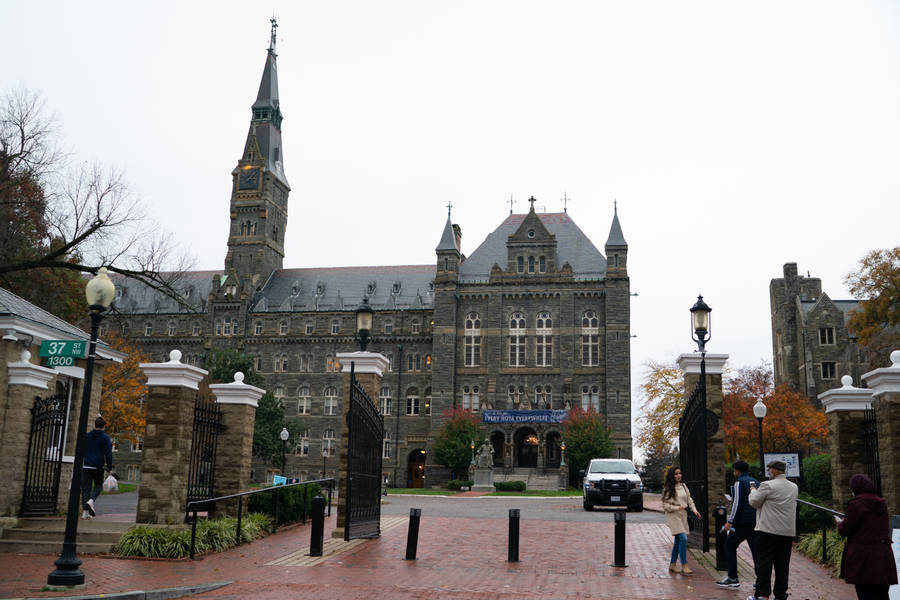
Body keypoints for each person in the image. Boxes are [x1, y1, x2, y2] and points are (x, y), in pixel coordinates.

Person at [837, 474, 897, 600]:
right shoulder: (881, 503)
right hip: (883, 555)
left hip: (863, 558)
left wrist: (840, 523)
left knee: (865, 593)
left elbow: (846, 530)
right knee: (882, 594)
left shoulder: (856, 504)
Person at [747, 459, 798, 600]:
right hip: (787, 531)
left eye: (769, 469)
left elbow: (754, 502)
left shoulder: (767, 485)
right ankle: (780, 595)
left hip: (767, 530)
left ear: (774, 470)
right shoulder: (794, 487)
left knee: (764, 563)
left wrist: (753, 490)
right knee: (782, 565)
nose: (768, 472)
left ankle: (762, 594)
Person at [717, 460, 758, 588]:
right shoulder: (756, 482)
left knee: (729, 546)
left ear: (737, 471)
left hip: (742, 522)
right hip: (755, 521)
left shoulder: (739, 483)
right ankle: (761, 580)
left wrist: (730, 522)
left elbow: (737, 503)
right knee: (756, 551)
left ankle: (733, 577)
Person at [662, 465, 701, 575]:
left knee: (678, 541)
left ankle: (672, 564)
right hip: (673, 516)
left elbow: (689, 500)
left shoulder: (683, 486)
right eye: (676, 474)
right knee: (683, 538)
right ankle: (684, 565)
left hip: (683, 516)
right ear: (672, 476)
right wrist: (677, 508)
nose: (679, 475)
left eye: (680, 473)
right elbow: (665, 506)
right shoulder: (668, 489)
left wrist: (695, 510)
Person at [81, 416, 114, 519]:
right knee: (98, 486)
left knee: (86, 488)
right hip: (97, 466)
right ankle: (91, 501)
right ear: (103, 426)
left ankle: (85, 513)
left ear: (95, 425)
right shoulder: (105, 438)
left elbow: (82, 449)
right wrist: (110, 468)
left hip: (86, 465)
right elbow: (108, 454)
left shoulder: (87, 436)